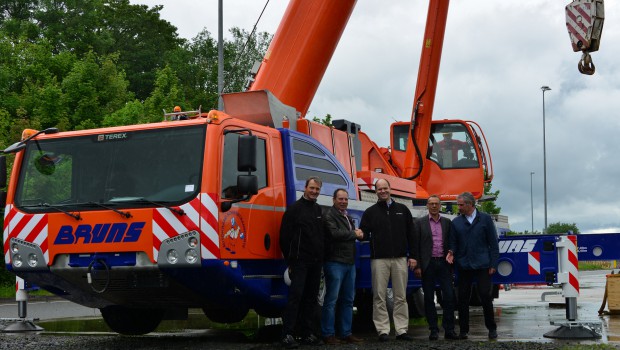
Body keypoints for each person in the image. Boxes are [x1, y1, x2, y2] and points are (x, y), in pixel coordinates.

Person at [359, 178, 417, 342]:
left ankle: (401, 330)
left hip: (400, 259)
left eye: (385, 188)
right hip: (379, 260)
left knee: (401, 296)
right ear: (375, 191)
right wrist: (359, 233)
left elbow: (411, 235)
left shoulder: (403, 210)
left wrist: (413, 256)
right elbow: (363, 231)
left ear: (390, 189)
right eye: (379, 189)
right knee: (379, 296)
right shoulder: (370, 212)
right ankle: (383, 330)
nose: (382, 191)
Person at [446, 192, 500, 340]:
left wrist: (493, 263)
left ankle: (492, 329)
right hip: (464, 265)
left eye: (461, 205)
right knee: (462, 298)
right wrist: (451, 252)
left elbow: (493, 244)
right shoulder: (456, 222)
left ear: (470, 204)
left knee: (485, 296)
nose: (459, 207)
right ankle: (463, 330)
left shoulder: (485, 219)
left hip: (483, 265)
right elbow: (453, 243)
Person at [279, 176, 325, 349]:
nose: (314, 191)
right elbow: (284, 237)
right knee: (295, 297)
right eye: (312, 188)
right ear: (305, 188)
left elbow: (321, 236)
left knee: (311, 299)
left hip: (315, 262)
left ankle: (307, 334)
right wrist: (290, 260)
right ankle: (287, 334)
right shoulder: (294, 209)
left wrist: (321, 258)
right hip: (299, 262)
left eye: (317, 189)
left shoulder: (319, 210)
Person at [412, 195, 459, 341]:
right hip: (428, 264)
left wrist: (452, 251)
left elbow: (452, 240)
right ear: (427, 205)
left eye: (436, 204)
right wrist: (418, 266)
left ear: (440, 206)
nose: (433, 206)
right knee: (428, 299)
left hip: (444, 264)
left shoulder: (447, 222)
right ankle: (433, 329)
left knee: (449, 297)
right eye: (431, 204)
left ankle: (449, 329)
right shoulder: (420, 223)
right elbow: (416, 246)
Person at [321, 188, 364, 345]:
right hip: (334, 262)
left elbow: (348, 234)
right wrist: (355, 234)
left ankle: (346, 333)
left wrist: (357, 233)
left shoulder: (347, 216)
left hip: (349, 263)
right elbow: (335, 234)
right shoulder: (329, 216)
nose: (344, 201)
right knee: (331, 300)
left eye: (346, 199)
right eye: (341, 199)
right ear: (334, 200)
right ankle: (328, 334)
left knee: (348, 300)